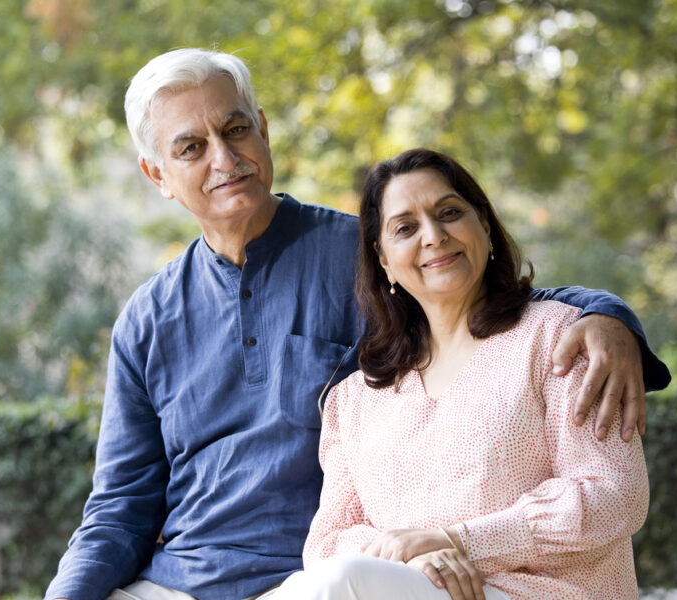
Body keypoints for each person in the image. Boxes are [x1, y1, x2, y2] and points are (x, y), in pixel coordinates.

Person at [44, 49, 670, 600]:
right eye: (191, 147)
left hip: (319, 580)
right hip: (178, 582)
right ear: (157, 174)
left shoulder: (366, 256)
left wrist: (606, 314)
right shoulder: (146, 320)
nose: (225, 158)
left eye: (236, 129)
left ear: (263, 131)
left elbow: (476, 290)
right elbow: (118, 508)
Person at [275, 149, 650, 600]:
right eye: (405, 228)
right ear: (383, 260)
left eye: (449, 213)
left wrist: (461, 542)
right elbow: (328, 543)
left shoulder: (560, 340)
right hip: (401, 590)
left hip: (539, 593)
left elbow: (615, 495)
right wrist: (411, 556)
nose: (433, 236)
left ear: (485, 227)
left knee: (342, 585)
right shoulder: (355, 399)